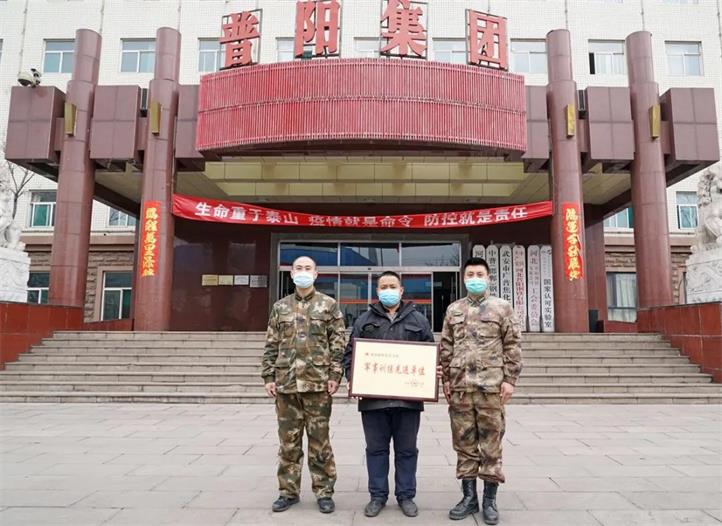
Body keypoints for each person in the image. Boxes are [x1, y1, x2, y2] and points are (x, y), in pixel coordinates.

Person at [343, 271, 434, 518]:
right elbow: (350, 355)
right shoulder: (364, 320)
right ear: (377, 291)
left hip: (408, 401)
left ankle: (406, 496)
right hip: (373, 402)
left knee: (407, 450)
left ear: (401, 290)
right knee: (376, 450)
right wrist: (353, 378)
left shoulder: (418, 320)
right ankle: (377, 496)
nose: (388, 290)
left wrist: (432, 371)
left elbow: (430, 354)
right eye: (383, 286)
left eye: (392, 286)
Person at [440, 257, 523, 524]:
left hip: (491, 388)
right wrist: (446, 379)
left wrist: (510, 379)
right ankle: (469, 498)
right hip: (461, 388)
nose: (474, 278)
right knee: (463, 444)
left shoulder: (502, 308)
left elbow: (512, 345)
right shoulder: (454, 309)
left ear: (488, 278)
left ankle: (489, 500)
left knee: (491, 445)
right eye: (470, 274)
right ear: (464, 278)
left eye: (479, 274)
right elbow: (446, 346)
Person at [261, 256, 346, 514]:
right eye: (299, 268)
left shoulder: (328, 305)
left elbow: (338, 343)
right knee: (288, 442)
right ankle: (288, 492)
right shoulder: (280, 307)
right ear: (291, 273)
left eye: (308, 268)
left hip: (317, 385)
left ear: (316, 274)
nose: (303, 272)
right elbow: (271, 344)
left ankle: (324, 492)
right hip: (286, 384)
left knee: (320, 442)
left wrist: (335, 375)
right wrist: (268, 377)